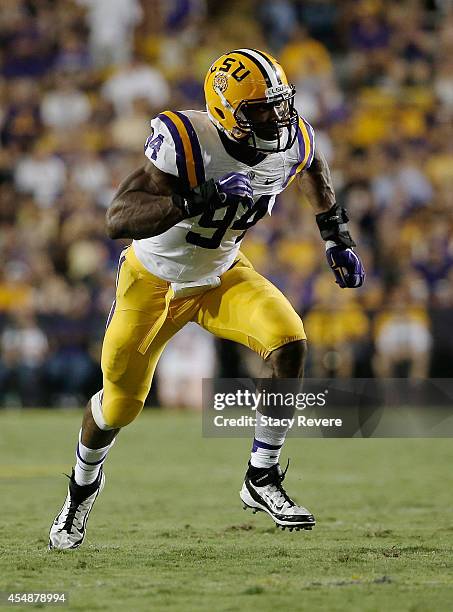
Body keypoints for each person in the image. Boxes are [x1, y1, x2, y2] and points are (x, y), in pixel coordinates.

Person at [48, 48, 364, 549]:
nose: (276, 117)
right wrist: (198, 197)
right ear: (225, 112)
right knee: (119, 406)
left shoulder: (291, 136)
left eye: (279, 103)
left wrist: (335, 237)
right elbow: (118, 218)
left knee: (289, 343)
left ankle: (261, 476)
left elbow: (314, 171)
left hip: (221, 274)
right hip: (152, 281)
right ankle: (82, 487)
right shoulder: (187, 141)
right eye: (260, 108)